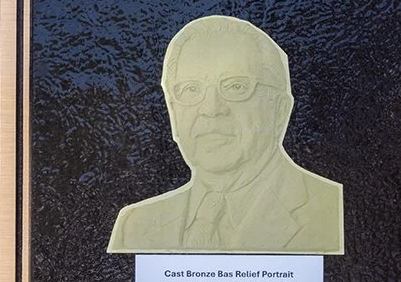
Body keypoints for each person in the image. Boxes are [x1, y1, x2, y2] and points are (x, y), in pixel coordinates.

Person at [108, 15, 344, 255]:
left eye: (236, 86)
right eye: (191, 89)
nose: (211, 109)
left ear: (280, 110)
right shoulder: (136, 225)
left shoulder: (333, 209)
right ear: (173, 110)